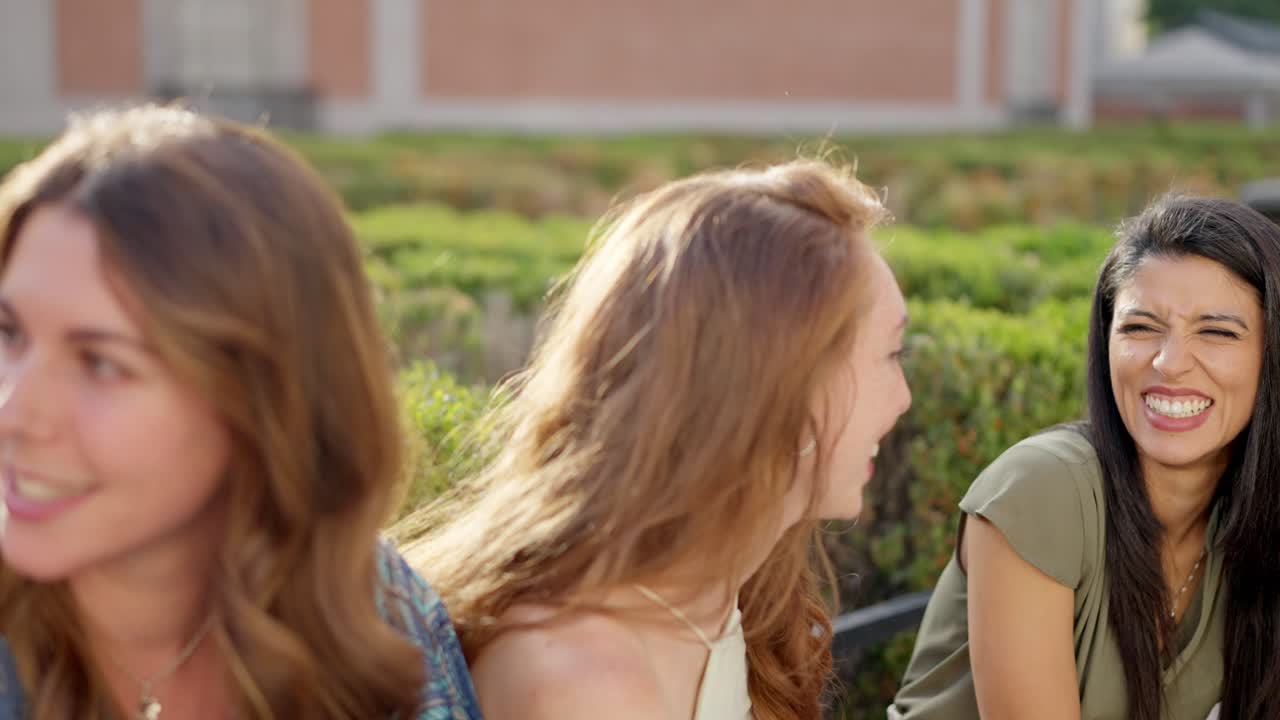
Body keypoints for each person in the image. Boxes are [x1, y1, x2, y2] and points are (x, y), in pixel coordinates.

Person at [0, 106, 481, 719]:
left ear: (261, 398)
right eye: (8, 333)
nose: (12, 413)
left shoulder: (376, 612)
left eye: (101, 363)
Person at [395, 158, 913, 719]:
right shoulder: (584, 685)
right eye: (891, 354)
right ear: (780, 384)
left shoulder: (730, 596)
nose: (904, 397)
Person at [890, 195, 1280, 720]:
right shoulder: (1042, 489)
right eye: (1140, 327)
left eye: (1216, 332)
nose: (1170, 362)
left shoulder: (1254, 515)